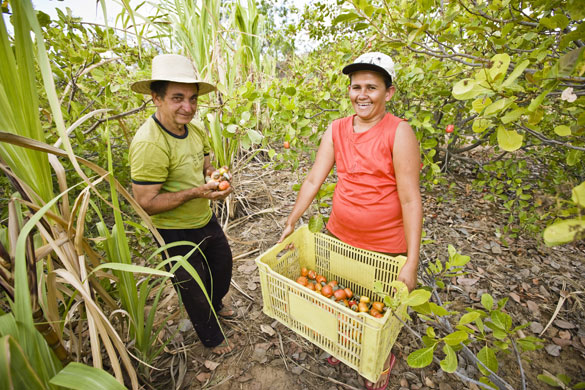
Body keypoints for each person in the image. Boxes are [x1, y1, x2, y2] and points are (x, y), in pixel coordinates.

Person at [278, 52, 422, 389]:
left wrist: (412, 261)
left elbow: (410, 199)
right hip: (339, 236)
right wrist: (291, 219)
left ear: (389, 92)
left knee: (376, 314)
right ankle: (345, 345)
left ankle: (379, 361)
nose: (362, 94)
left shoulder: (399, 133)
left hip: (384, 247)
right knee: (341, 299)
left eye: (372, 87)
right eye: (356, 86)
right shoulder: (337, 129)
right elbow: (314, 179)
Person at [129, 54, 235, 354]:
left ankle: (215, 306)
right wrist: (196, 193)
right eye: (177, 98)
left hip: (203, 218)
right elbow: (146, 203)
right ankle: (211, 337)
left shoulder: (195, 129)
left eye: (192, 98)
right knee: (192, 286)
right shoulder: (150, 143)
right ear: (156, 98)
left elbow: (205, 166)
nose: (187, 107)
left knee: (221, 266)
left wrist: (216, 177)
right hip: (172, 230)